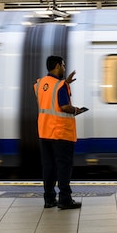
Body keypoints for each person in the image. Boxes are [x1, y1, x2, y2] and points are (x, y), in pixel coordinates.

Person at [34, 55, 87, 210]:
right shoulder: (60, 86)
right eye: (63, 65)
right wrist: (77, 110)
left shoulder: (39, 84)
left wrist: (66, 83)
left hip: (45, 131)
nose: (64, 68)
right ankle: (65, 199)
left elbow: (48, 95)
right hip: (61, 132)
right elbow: (64, 106)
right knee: (63, 166)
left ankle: (49, 199)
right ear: (57, 66)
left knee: (48, 166)